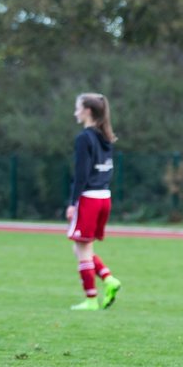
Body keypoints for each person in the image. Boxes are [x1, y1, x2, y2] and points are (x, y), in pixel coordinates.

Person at [66, 93, 122, 311]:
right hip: (104, 198)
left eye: (77, 108)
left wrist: (73, 202)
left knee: (82, 250)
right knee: (80, 249)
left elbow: (81, 174)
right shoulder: (105, 136)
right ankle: (109, 279)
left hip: (88, 199)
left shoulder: (84, 138)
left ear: (88, 110)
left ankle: (91, 300)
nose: (75, 112)